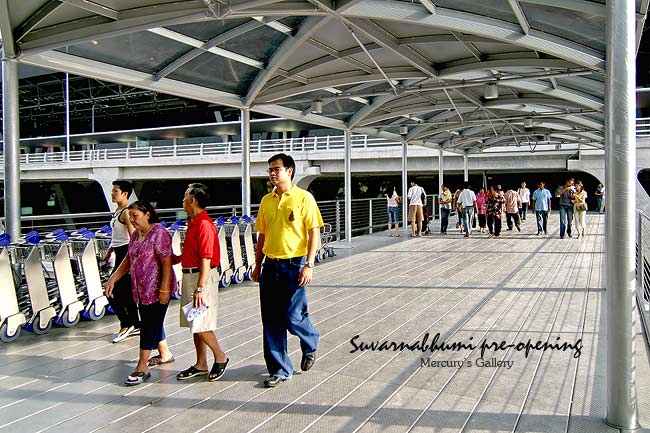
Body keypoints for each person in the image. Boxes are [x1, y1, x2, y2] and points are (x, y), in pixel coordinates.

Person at [252, 153, 323, 388]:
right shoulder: (266, 201)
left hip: (295, 265)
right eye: (269, 170)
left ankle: (310, 341)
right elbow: (262, 234)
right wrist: (257, 264)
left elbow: (314, 232)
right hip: (270, 266)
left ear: (289, 171)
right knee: (271, 320)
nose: (272, 173)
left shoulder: (304, 198)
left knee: (293, 317)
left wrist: (309, 264)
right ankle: (280, 369)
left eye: (277, 169)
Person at [105, 201, 175, 386]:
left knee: (148, 324)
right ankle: (164, 353)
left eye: (135, 216)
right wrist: (113, 278)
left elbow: (167, 262)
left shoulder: (159, 233)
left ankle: (142, 365)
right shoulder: (136, 235)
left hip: (157, 288)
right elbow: (129, 258)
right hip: (141, 289)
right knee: (152, 320)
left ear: (147, 215)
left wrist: (164, 289)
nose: (132, 220)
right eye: (130, 217)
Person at [173, 183, 229, 382]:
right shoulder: (193, 222)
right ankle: (200, 363)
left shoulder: (204, 225)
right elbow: (194, 252)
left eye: (185, 198)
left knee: (199, 321)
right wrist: (177, 259)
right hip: (191, 275)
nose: (182, 201)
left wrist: (200, 288)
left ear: (193, 201)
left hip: (200, 278)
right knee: (195, 323)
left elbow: (206, 258)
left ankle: (220, 356)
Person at [104, 180, 140, 343]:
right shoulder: (117, 211)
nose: (112, 194)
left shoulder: (126, 212)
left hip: (126, 253)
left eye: (115, 192)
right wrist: (110, 250)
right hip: (118, 252)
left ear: (125, 194)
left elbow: (133, 236)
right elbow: (118, 236)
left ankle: (126, 324)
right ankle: (135, 324)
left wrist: (133, 258)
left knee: (111, 290)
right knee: (125, 291)